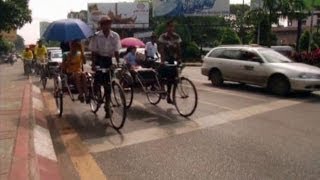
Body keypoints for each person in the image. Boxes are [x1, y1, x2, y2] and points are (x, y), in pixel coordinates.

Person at [89, 16, 121, 118]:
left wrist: (118, 62)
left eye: (108, 23)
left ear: (110, 24)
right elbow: (93, 52)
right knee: (98, 79)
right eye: (104, 24)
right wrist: (94, 64)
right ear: (101, 25)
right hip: (99, 58)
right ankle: (96, 93)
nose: (106, 26)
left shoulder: (115, 36)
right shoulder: (96, 36)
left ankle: (107, 106)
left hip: (108, 60)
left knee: (108, 84)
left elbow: (116, 51)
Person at [158, 19, 182, 104]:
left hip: (173, 59)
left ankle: (169, 96)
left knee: (173, 79)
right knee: (160, 72)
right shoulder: (163, 37)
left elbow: (179, 49)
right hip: (165, 59)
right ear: (167, 27)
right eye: (170, 26)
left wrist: (179, 59)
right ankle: (161, 88)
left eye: (173, 26)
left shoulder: (176, 37)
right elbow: (161, 49)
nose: (171, 28)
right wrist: (162, 60)